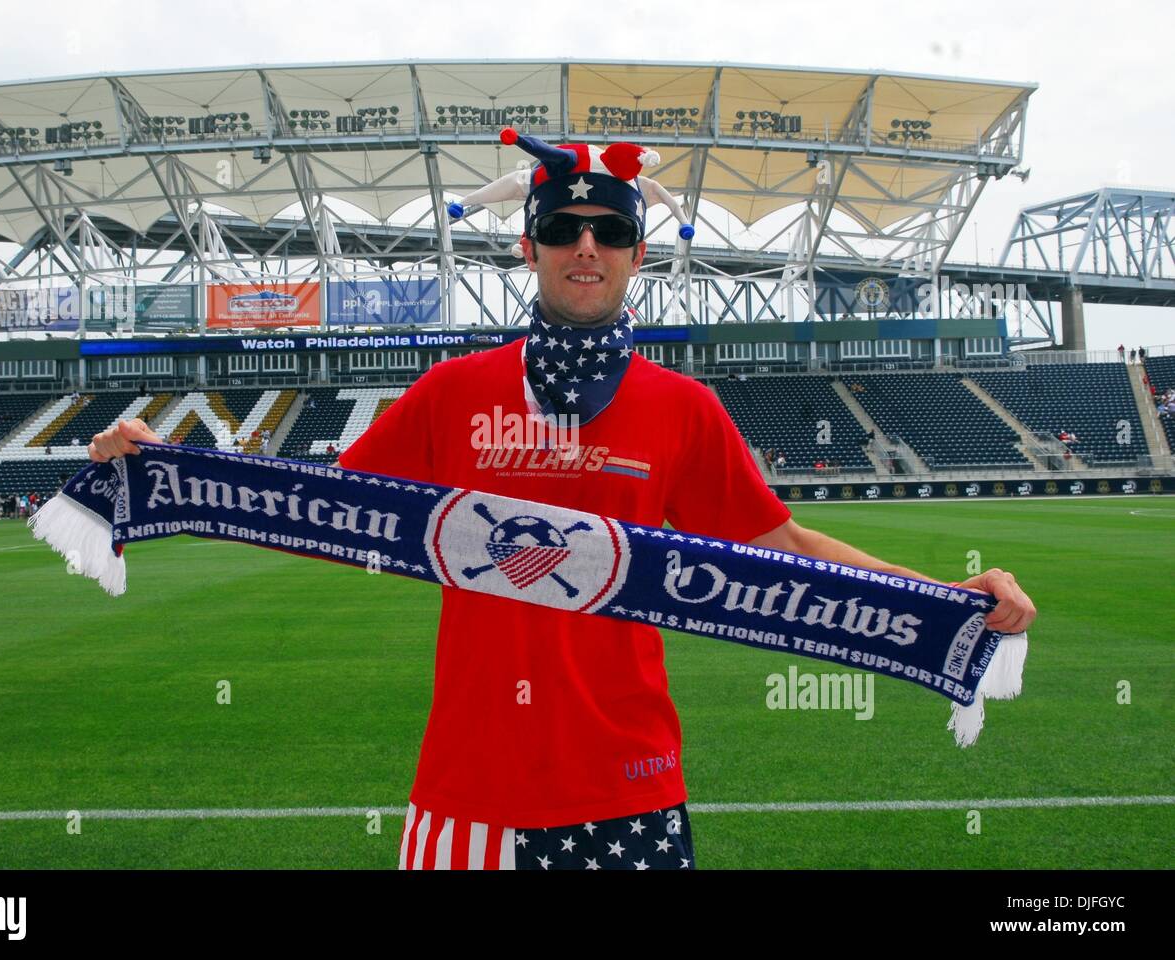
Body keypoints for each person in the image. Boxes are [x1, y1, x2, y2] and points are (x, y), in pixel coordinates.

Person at [86, 128, 1037, 871]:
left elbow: (784, 548)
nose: (587, 246)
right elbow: (315, 510)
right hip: (470, 790)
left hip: (631, 787)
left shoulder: (683, 408)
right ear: (529, 243)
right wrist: (160, 464)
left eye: (612, 230)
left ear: (636, 251)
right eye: (563, 228)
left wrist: (953, 601)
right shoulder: (451, 392)